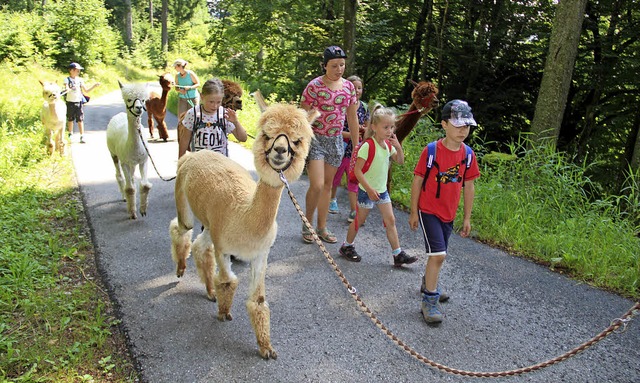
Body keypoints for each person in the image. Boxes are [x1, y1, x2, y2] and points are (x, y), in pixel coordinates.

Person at [409, 99, 480, 324]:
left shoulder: (467, 155)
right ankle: (430, 300)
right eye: (458, 125)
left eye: (466, 126)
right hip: (428, 210)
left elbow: (469, 186)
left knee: (437, 256)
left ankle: (427, 282)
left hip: (449, 214)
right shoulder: (431, 151)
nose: (463, 131)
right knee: (439, 255)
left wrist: (467, 217)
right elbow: (417, 181)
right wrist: (413, 212)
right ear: (444, 125)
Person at [338, 104, 417, 267]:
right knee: (359, 220)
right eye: (386, 127)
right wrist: (368, 189)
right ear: (374, 127)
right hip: (367, 191)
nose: (390, 131)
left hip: (382, 192)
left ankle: (397, 254)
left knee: (391, 220)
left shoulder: (388, 145)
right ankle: (347, 246)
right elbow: (358, 171)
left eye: (392, 127)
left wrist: (398, 147)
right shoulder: (368, 145)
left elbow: (400, 161)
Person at [299, 46, 360, 244]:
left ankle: (322, 227)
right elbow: (303, 115)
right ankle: (307, 223)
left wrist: (358, 145)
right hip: (315, 139)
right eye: (334, 65)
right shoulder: (314, 86)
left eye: (342, 65)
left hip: (336, 141)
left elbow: (352, 116)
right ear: (325, 66)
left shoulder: (348, 88)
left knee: (327, 186)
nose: (339, 69)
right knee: (316, 184)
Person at [328, 75, 369, 223]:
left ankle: (353, 211)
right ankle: (332, 199)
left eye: (359, 88)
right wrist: (353, 132)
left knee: (353, 180)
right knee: (336, 177)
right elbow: (336, 128)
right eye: (354, 87)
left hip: (356, 150)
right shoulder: (341, 104)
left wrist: (364, 131)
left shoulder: (364, 107)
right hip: (340, 148)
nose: (357, 90)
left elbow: (367, 126)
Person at [178, 78, 247, 158]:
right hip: (198, 162)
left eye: (218, 102)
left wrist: (235, 122)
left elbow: (243, 138)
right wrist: (180, 162)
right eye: (211, 102)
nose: (215, 106)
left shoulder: (225, 114)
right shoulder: (193, 114)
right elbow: (184, 140)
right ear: (202, 96)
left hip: (220, 163)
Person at [64, 62, 100, 143]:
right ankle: (70, 134)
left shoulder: (80, 80)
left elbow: (86, 90)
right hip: (70, 102)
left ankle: (82, 136)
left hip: (79, 102)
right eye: (77, 70)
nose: (78, 72)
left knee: (80, 119)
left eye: (78, 71)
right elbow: (66, 87)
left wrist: (94, 86)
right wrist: (67, 88)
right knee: (70, 119)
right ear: (71, 70)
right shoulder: (67, 79)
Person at [174, 59, 201, 156]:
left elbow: (198, 84)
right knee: (181, 117)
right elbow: (176, 87)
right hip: (182, 98)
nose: (175, 68)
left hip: (193, 97)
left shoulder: (190, 74)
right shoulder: (177, 76)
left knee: (195, 116)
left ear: (180, 66)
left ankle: (196, 136)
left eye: (176, 66)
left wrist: (189, 88)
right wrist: (180, 90)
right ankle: (183, 137)